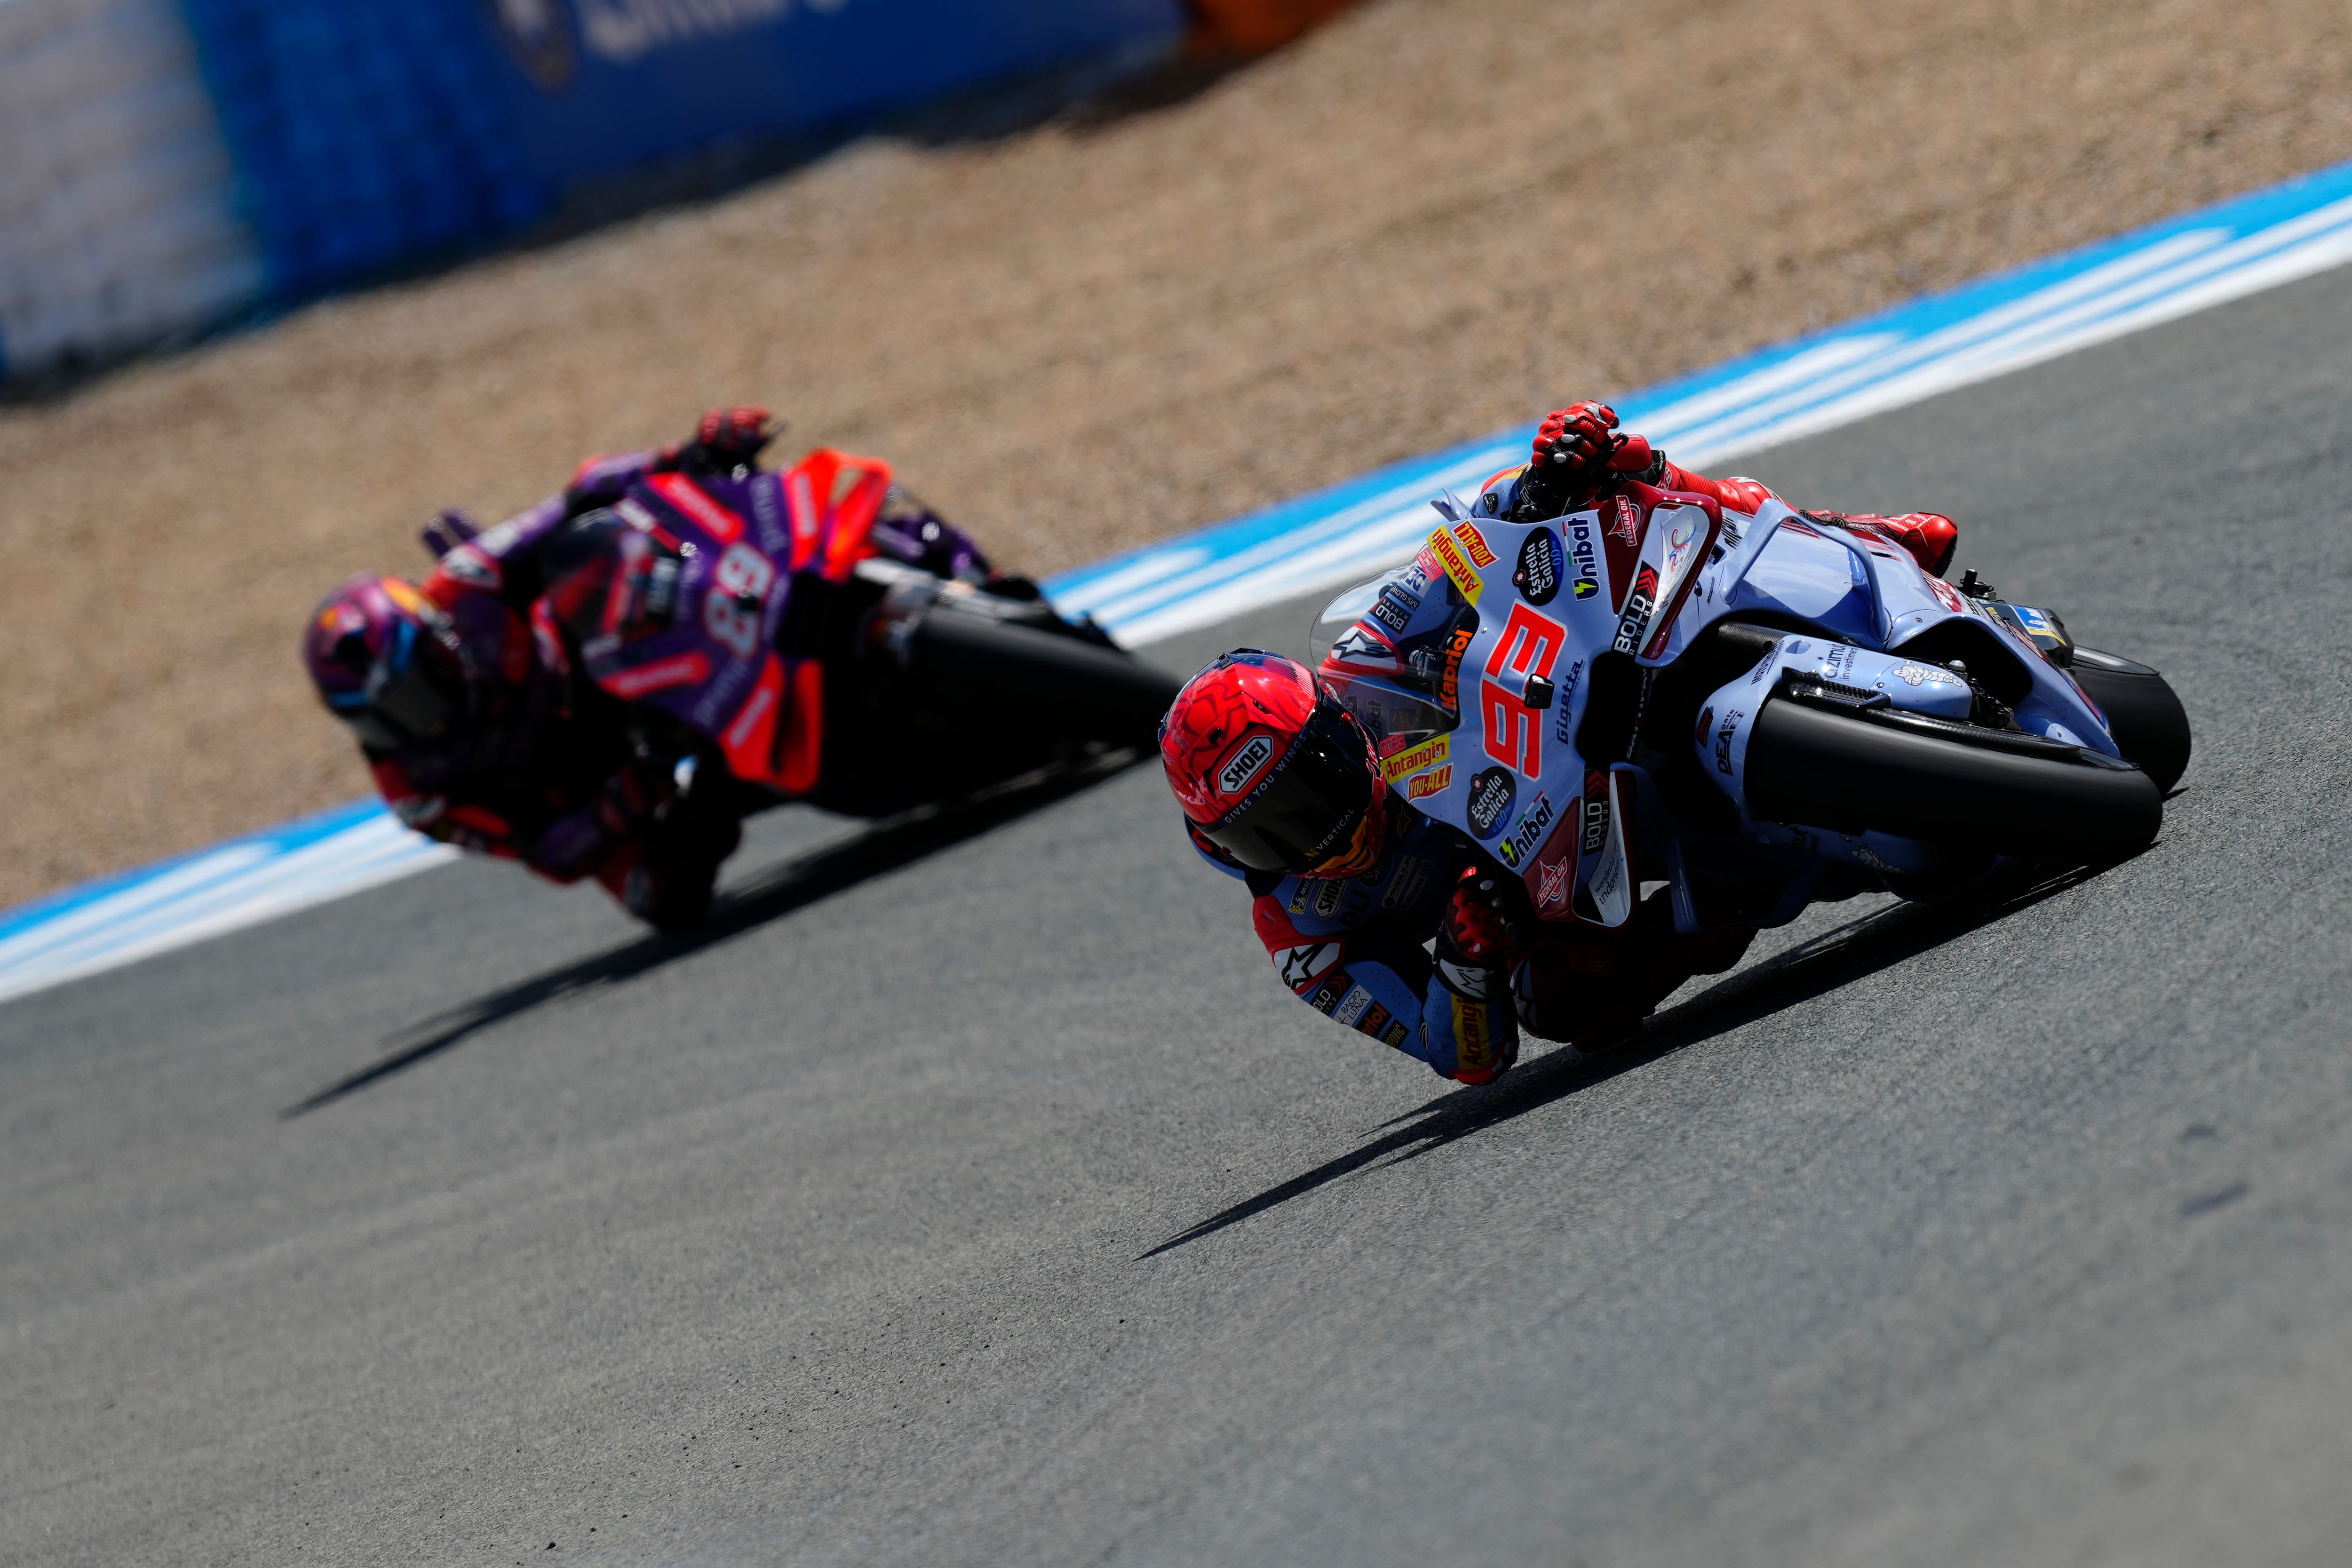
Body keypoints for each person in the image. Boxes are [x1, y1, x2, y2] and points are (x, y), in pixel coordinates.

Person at [1157, 401, 1959, 1083]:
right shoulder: (1302, 932)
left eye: (1315, 787)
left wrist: (1547, 475)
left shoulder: (1365, 661)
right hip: (1558, 873)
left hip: (1563, 718)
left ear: (1335, 727)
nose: (1319, 831)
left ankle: (1848, 537)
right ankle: (1765, 877)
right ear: (1224, 852)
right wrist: (1469, 965)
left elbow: (1469, 540)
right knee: (1567, 1001)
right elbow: (1459, 1054)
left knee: (1630, 477)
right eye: (1270, 832)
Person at [302, 406, 1001, 929]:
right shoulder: (418, 790)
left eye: (424, 678)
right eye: (397, 713)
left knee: (696, 515)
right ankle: (815, 761)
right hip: (610, 772)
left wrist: (688, 450)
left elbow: (581, 497)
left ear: (438, 633)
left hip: (624, 636)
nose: (426, 710)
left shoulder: (467, 582)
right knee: (660, 896)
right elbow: (545, 851)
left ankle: (924, 564)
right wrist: (617, 804)